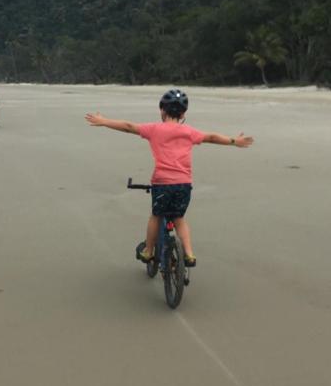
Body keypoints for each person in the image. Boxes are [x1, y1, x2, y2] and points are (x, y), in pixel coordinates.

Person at [85, 89, 254, 267]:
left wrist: (103, 121)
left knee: (157, 216)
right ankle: (189, 254)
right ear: (183, 114)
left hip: (162, 183)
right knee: (179, 218)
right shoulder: (189, 132)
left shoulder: (154, 129)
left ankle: (149, 251)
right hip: (184, 184)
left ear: (162, 110)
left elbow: (128, 126)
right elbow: (211, 137)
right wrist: (235, 141)